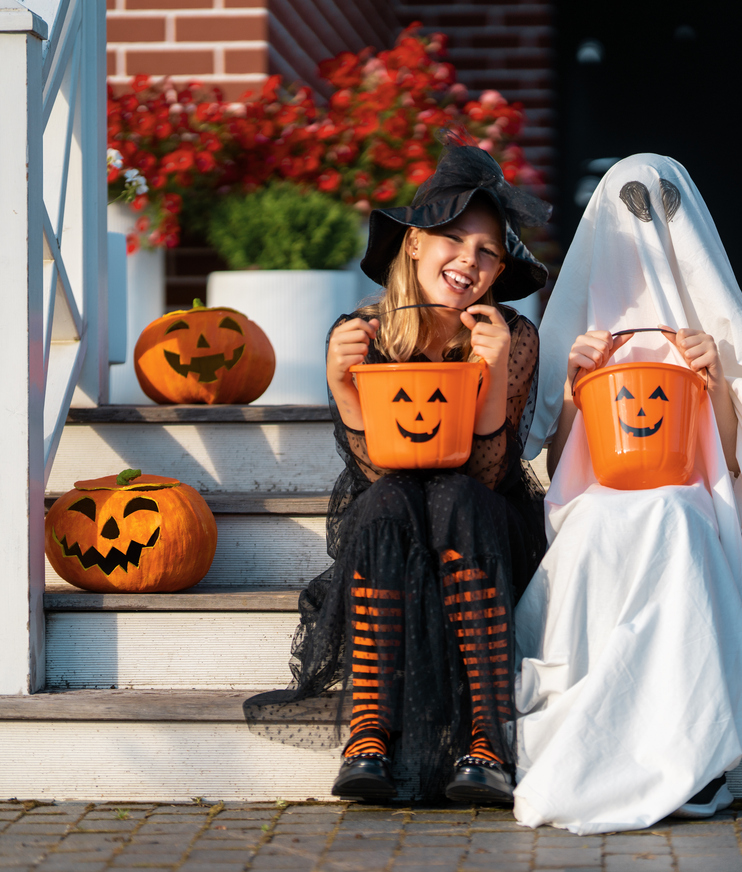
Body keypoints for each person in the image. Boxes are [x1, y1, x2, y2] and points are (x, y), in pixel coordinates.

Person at [246, 142, 552, 805]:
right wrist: (345, 389)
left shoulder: (512, 335)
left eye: (487, 252)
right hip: (394, 524)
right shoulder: (363, 331)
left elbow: (493, 471)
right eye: (451, 238)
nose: (467, 261)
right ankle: (369, 732)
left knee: (460, 498)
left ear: (501, 268)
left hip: (482, 521)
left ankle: (488, 736)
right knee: (386, 500)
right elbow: (374, 465)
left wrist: (493, 373)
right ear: (413, 244)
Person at [511, 154, 742, 834]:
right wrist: (570, 389)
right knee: (595, 533)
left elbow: (734, 459)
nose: (650, 231)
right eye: (631, 211)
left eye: (664, 210)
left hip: (692, 493)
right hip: (601, 495)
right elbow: (559, 469)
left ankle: (684, 742)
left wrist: (719, 379)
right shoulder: (590, 331)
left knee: (674, 518)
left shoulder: (707, 330)